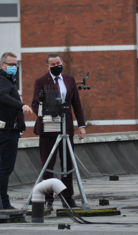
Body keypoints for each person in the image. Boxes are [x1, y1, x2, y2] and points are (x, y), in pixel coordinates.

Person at [32, 53, 86, 210]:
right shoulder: (41, 81)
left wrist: (81, 125)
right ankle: (48, 199)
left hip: (67, 128)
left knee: (68, 164)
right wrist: (48, 114)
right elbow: (35, 103)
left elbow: (77, 105)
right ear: (47, 66)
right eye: (53, 64)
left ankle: (67, 197)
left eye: (58, 63)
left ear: (62, 63)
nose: (56, 66)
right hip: (48, 128)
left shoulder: (70, 80)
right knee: (48, 164)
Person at [0, 52, 33, 209]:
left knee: (7, 167)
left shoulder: (8, 80)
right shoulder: (1, 80)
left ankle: (3, 202)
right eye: (10, 64)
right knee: (6, 168)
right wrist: (20, 105)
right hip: (7, 130)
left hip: (11, 130)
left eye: (16, 64)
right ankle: (3, 203)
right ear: (2, 65)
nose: (14, 67)